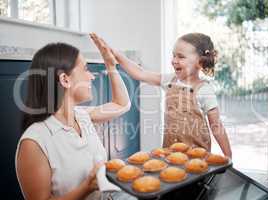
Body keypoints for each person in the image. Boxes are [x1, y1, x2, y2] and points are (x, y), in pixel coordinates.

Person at [15, 33, 136, 200]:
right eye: (86, 69)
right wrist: (86, 187)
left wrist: (110, 65)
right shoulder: (34, 142)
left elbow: (122, 104)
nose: (92, 76)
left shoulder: (82, 115)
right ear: (65, 79)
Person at [104, 32, 232, 158]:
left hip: (196, 157)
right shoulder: (170, 80)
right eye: (173, 55)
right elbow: (140, 73)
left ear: (200, 62)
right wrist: (116, 55)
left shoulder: (204, 90)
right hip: (170, 154)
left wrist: (228, 156)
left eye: (181, 57)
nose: (174, 61)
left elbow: (216, 126)